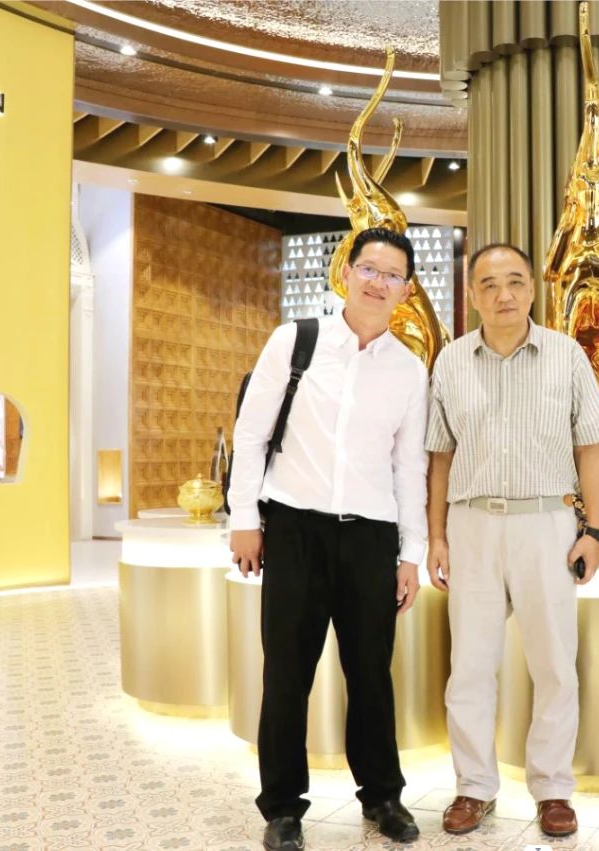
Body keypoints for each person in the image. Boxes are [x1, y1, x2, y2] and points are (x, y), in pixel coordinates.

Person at [229, 228, 429, 849]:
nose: (377, 281)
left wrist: (411, 554)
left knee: (371, 674)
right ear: (346, 272)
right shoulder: (295, 341)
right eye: (368, 268)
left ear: (406, 291)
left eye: (391, 275)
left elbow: (408, 469)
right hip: (295, 530)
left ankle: (383, 796)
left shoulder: (409, 369)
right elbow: (251, 435)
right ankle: (283, 807)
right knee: (287, 675)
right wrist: (244, 519)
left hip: (371, 538)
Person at [425, 243, 599, 838]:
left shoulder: (566, 355)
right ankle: (474, 787)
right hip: (472, 525)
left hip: (546, 524)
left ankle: (553, 789)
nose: (503, 294)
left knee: (554, 665)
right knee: (469, 667)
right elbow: (439, 457)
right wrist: (436, 535)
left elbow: (591, 448)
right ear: (472, 295)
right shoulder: (451, 361)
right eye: (488, 284)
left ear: (533, 289)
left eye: (514, 282)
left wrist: (596, 531)